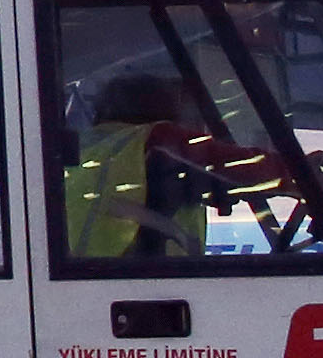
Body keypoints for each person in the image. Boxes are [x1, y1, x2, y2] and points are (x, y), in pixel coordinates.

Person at [63, 66, 233, 263]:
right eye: (189, 113)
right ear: (159, 109)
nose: (199, 126)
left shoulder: (91, 147)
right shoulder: (156, 137)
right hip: (133, 275)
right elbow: (247, 165)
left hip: (93, 273)